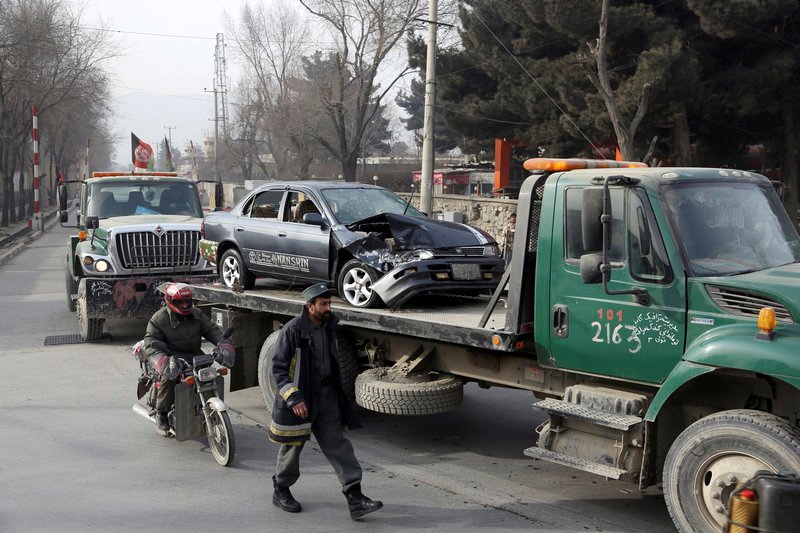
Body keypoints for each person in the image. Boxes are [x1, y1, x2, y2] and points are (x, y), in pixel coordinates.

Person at [268, 283, 382, 520]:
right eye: (324, 304)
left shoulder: (329, 326)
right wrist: (294, 398)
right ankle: (281, 489)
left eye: (330, 303)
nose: (329, 307)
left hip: (327, 397)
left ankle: (355, 498)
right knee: (292, 447)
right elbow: (278, 370)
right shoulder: (292, 330)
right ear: (310, 307)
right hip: (301, 400)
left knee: (338, 444)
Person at [144, 283, 234, 434]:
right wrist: (164, 361)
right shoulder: (159, 319)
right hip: (172, 357)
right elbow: (152, 345)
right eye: (181, 302)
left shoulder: (197, 314)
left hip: (194, 355)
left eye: (187, 301)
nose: (185, 305)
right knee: (169, 378)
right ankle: (162, 413)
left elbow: (211, 330)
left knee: (212, 375)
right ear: (171, 301)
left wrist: (223, 344)